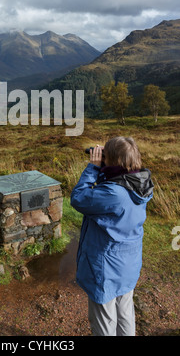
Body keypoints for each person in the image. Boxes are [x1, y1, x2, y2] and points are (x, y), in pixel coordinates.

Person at [71, 137, 154, 336]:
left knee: (104, 320)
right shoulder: (139, 183)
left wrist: (92, 168)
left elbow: (79, 198)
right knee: (125, 313)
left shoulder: (114, 193)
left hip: (106, 268)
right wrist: (106, 169)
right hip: (127, 264)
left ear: (113, 160)